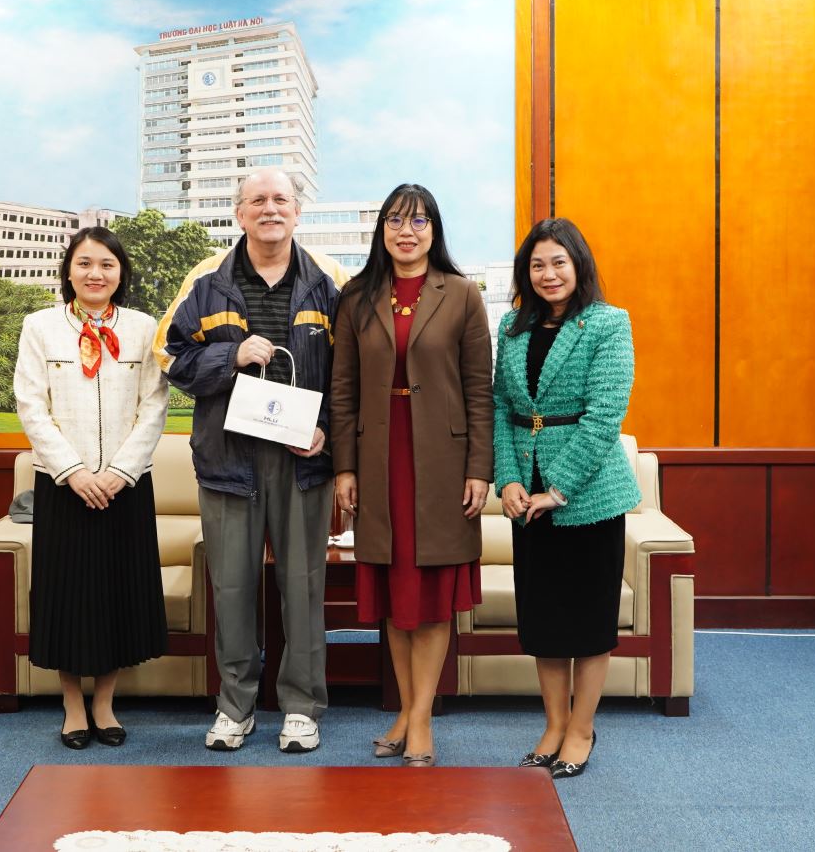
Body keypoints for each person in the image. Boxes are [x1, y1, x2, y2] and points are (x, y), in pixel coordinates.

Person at [157, 169, 345, 753]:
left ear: (297, 212)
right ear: (239, 213)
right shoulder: (206, 279)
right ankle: (235, 707)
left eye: (281, 199)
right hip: (227, 459)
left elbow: (353, 373)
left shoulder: (331, 281)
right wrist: (230, 356)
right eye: (257, 200)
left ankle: (302, 708)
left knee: (303, 587)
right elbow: (168, 355)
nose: (270, 209)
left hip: (302, 461)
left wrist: (326, 433)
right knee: (233, 588)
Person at [330, 184, 492, 768]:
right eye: (396, 221)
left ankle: (419, 719)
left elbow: (479, 390)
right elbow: (342, 389)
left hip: (443, 464)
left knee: (430, 597)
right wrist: (344, 467)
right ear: (382, 230)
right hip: (379, 457)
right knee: (394, 595)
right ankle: (407, 709)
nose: (407, 231)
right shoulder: (357, 297)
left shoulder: (463, 294)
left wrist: (479, 469)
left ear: (434, 230)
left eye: (419, 221)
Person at [492, 217, 640, 779]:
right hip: (525, 498)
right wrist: (509, 480)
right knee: (545, 622)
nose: (548, 274)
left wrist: (556, 490)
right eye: (537, 265)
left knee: (588, 621)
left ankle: (581, 729)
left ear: (578, 265)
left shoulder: (608, 323)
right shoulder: (512, 327)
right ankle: (553, 726)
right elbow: (501, 408)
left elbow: (604, 417)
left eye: (559, 262)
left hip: (588, 496)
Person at [13, 226, 170, 749]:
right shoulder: (40, 327)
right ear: (68, 271)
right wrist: (75, 472)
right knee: (68, 598)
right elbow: (31, 405)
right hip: (64, 485)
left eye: (106, 264)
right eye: (84, 263)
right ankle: (72, 705)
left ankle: (105, 703)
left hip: (126, 486)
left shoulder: (144, 328)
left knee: (117, 596)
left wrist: (120, 472)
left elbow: (154, 405)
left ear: (120, 273)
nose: (95, 273)